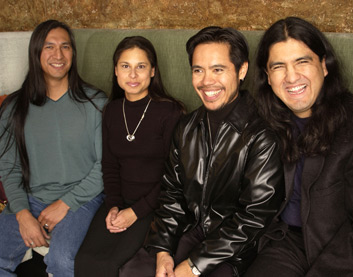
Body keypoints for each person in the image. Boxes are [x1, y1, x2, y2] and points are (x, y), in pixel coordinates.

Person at [118, 26, 284, 277]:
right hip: (192, 229)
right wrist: (163, 249)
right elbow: (172, 195)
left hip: (236, 248)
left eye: (218, 69)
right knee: (135, 272)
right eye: (198, 70)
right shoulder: (186, 127)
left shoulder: (261, 135)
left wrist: (194, 265)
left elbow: (254, 217)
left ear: (241, 70)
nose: (207, 81)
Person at [245, 17, 353, 276]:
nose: (292, 76)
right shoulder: (267, 123)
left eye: (302, 61)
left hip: (345, 254)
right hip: (286, 243)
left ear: (324, 65)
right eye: (279, 66)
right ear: (268, 77)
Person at [0, 20, 106, 276]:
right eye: (49, 47)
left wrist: (65, 203)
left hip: (81, 201)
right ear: (36, 53)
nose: (58, 55)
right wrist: (23, 215)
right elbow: (8, 167)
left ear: (73, 53)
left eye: (65, 47)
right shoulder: (14, 107)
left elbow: (105, 167)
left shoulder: (96, 103)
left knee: (63, 261)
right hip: (29, 199)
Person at [74, 36, 184, 277]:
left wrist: (136, 212)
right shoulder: (112, 111)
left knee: (111, 265)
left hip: (156, 206)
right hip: (118, 202)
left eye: (141, 66)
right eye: (126, 66)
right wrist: (113, 205)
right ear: (115, 71)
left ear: (153, 71)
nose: (133, 75)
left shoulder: (170, 112)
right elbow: (110, 165)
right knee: (84, 261)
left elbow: (176, 176)